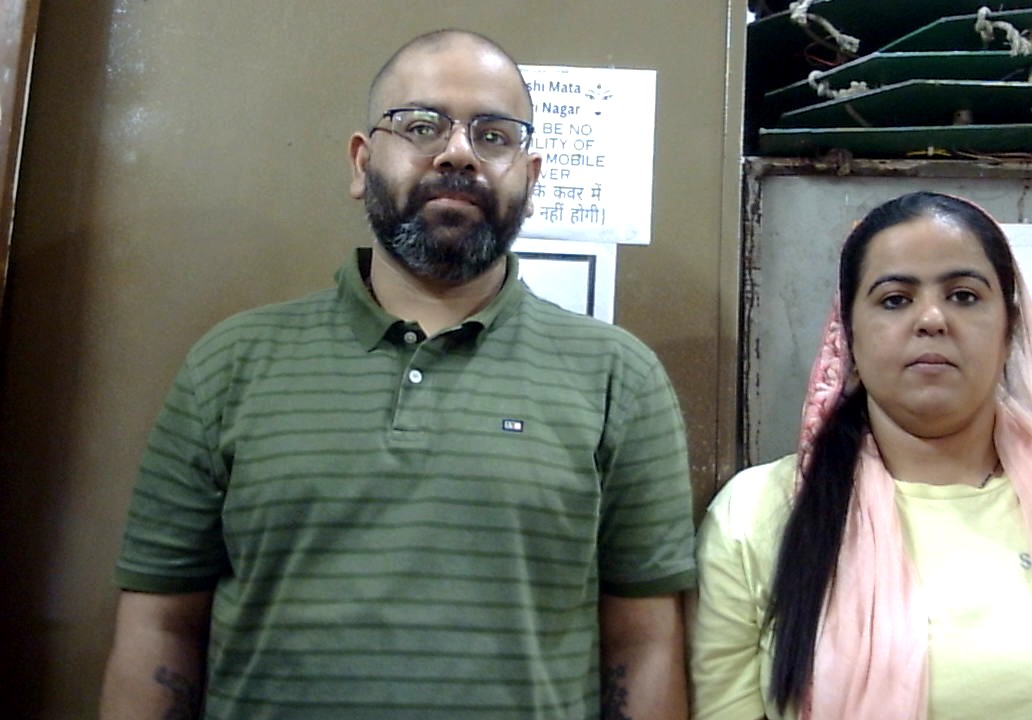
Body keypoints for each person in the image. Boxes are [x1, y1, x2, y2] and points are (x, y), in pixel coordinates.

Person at [99, 29, 695, 720]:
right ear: (361, 163)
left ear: (531, 180)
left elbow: (643, 645)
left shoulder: (619, 378)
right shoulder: (229, 365)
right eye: (421, 126)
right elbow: (160, 628)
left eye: (494, 136)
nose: (458, 153)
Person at [691, 191, 1032, 720]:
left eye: (964, 296)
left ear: (1011, 329)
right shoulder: (759, 513)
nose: (931, 318)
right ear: (849, 336)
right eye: (895, 299)